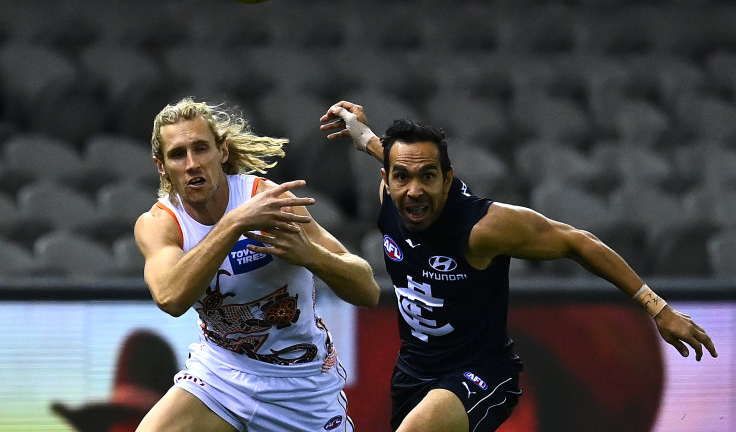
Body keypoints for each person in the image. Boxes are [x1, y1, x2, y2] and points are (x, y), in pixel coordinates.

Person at [320, 101, 718, 432]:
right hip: (412, 373)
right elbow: (384, 150)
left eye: (429, 176)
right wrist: (362, 133)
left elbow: (580, 242)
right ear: (386, 179)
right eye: (402, 177)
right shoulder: (393, 192)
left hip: (480, 375)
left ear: (448, 178)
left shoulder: (484, 227)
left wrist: (657, 308)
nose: (415, 190)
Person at [134, 97, 380, 432]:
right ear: (161, 166)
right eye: (178, 154)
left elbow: (367, 290)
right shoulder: (159, 223)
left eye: (201, 148)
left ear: (222, 152)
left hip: (301, 384)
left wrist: (311, 255)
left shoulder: (270, 202)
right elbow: (170, 298)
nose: (192, 163)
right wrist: (234, 224)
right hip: (221, 375)